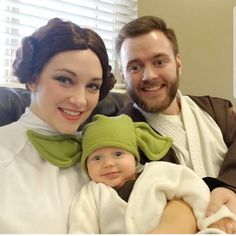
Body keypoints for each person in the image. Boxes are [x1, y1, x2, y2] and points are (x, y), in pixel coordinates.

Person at [115, 15, 236, 233]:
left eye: (159, 62)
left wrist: (229, 187)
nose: (148, 75)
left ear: (178, 62)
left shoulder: (216, 111)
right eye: (134, 67)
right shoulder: (117, 136)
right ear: (122, 74)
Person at [0, 18, 116, 233]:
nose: (80, 100)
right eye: (64, 80)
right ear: (33, 78)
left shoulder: (104, 150)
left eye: (92, 86)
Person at [69, 114, 235, 234]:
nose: (108, 163)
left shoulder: (157, 172)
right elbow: (81, 228)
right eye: (96, 158)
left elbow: (195, 190)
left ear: (134, 158)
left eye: (118, 154)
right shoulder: (90, 195)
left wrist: (215, 219)